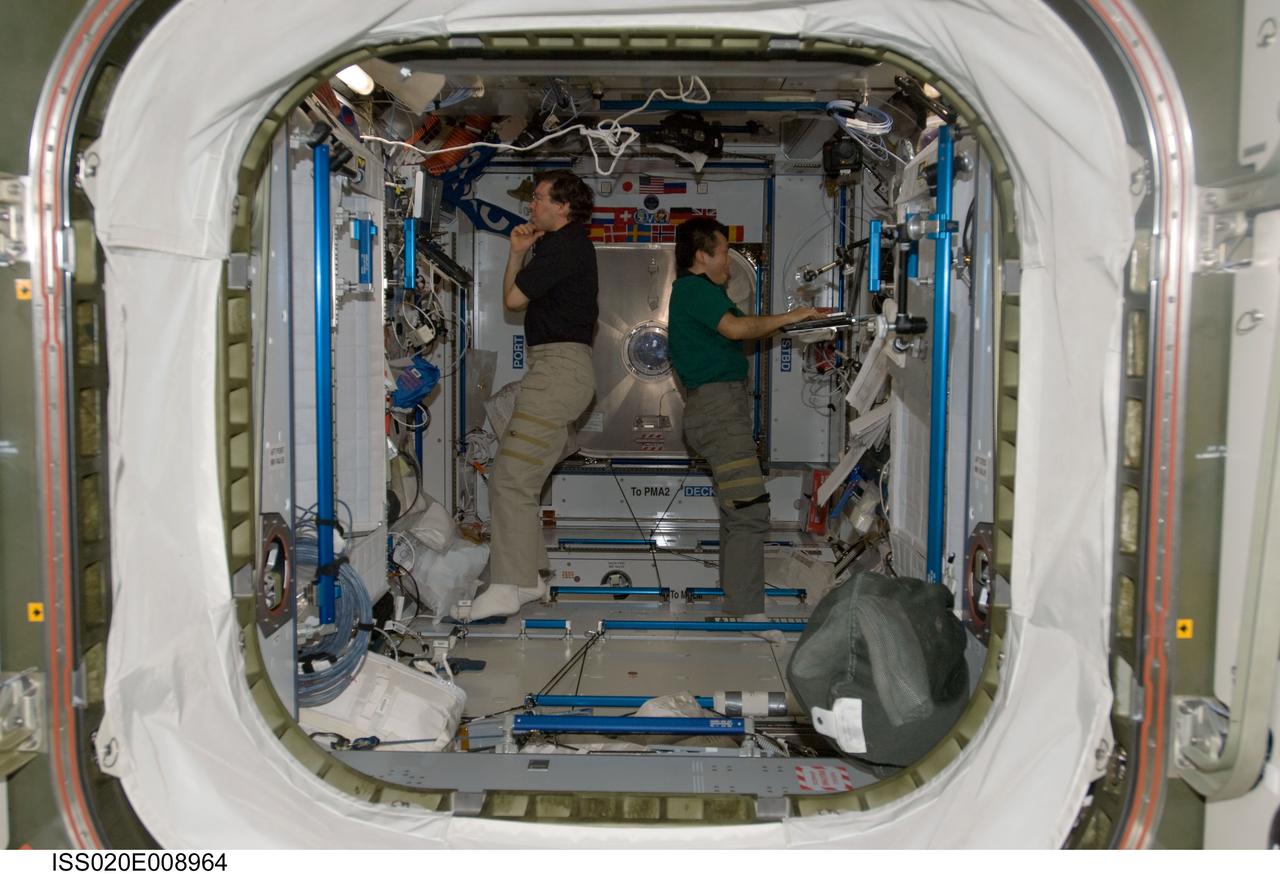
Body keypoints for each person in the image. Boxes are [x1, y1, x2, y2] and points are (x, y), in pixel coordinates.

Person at [667, 217, 818, 635]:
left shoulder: (704, 294)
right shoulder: (695, 290)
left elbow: (739, 332)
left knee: (736, 511)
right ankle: (750, 612)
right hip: (718, 412)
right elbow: (736, 329)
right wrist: (789, 317)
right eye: (723, 254)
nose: (729, 265)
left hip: (718, 410)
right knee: (751, 511)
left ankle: (738, 600)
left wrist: (801, 322)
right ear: (702, 256)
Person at [473, 170, 599, 619]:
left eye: (540, 199)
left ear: (563, 207)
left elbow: (511, 301)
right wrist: (517, 252)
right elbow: (515, 296)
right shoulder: (557, 247)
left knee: (510, 478)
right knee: (518, 478)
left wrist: (516, 254)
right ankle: (531, 579)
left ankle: (511, 584)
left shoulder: (565, 246)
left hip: (558, 372)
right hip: (555, 370)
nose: (532, 206)